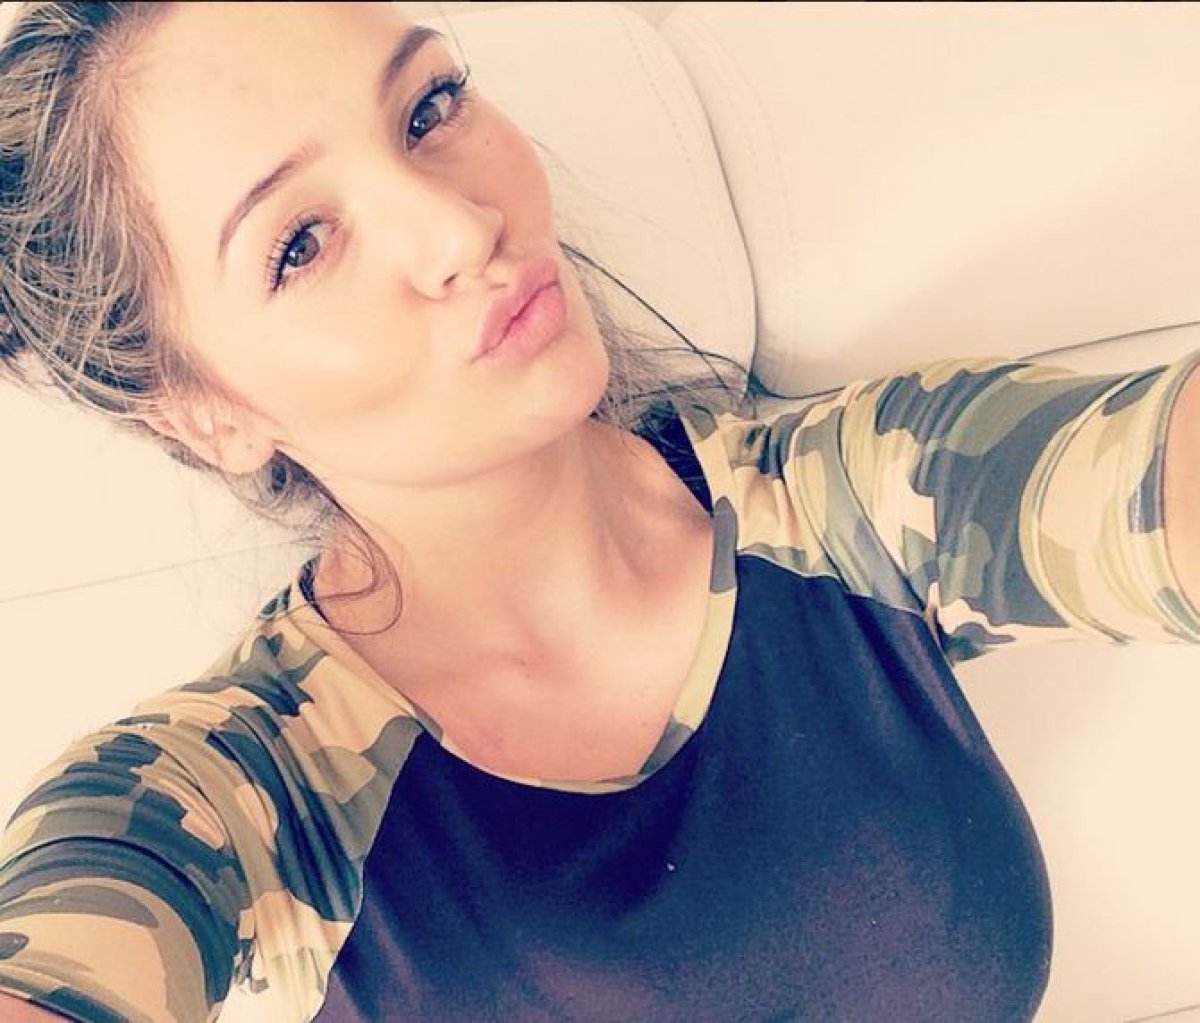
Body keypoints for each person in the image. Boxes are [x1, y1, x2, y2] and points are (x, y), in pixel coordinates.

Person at [0, 2, 1197, 1021]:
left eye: (428, 110)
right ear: (203, 409)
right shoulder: (233, 795)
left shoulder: (860, 499)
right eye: (302, 243)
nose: (461, 225)